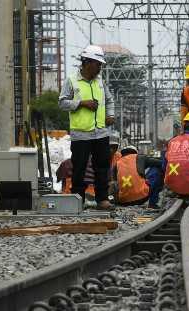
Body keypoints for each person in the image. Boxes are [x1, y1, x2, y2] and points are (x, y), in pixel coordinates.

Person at [58, 44, 115, 210]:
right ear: (88, 62)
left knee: (102, 167)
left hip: (101, 133)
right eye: (98, 64)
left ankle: (102, 199)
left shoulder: (100, 82)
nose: (100, 68)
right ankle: (78, 200)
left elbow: (109, 100)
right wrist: (81, 103)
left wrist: (110, 115)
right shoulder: (72, 80)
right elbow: (62, 103)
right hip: (81, 134)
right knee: (79, 168)